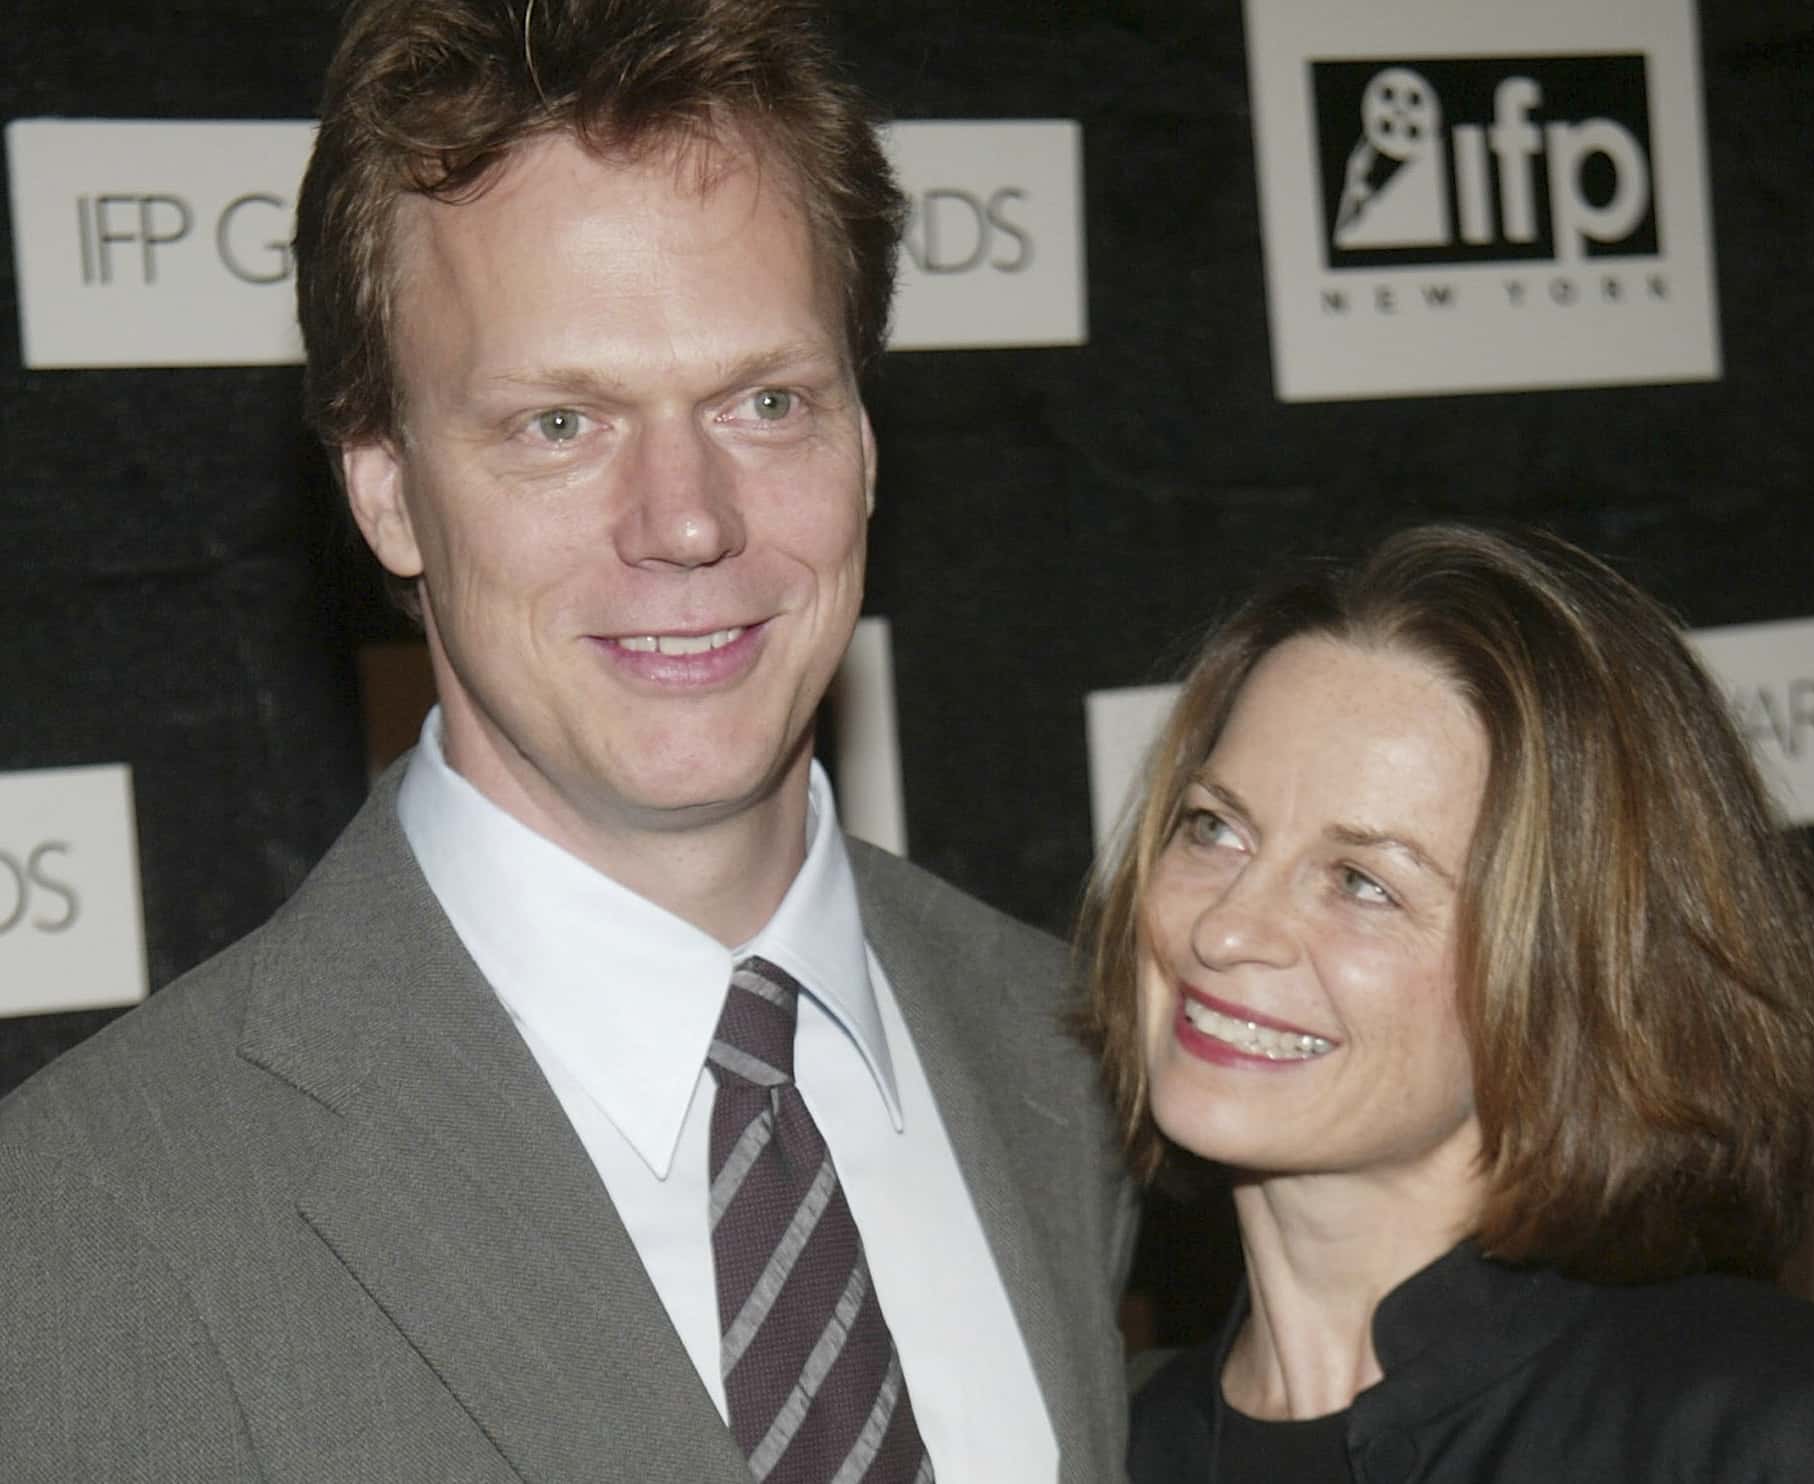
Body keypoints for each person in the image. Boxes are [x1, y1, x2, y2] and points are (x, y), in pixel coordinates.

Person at [0, 1, 1133, 1479]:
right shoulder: (91, 1221)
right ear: (387, 488)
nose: (686, 519)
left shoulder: (1077, 1066)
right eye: (560, 425)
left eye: (766, 400)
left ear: (864, 442)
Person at [1079, 524, 1814, 1482]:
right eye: (1214, 828)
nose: (1227, 930)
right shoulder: (1081, 1448)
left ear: (1573, 973)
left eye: (1362, 882)